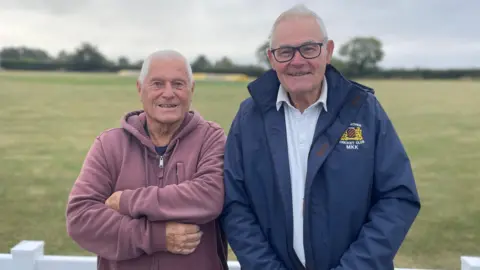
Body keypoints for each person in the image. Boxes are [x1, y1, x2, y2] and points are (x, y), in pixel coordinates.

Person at [220, 4, 421, 270]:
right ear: (271, 58)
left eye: (309, 48)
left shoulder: (364, 110)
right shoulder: (249, 117)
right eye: (285, 51)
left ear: (328, 51)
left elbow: (398, 197)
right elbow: (235, 203)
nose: (298, 60)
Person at [66, 50, 228, 270]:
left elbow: (209, 196)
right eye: (157, 84)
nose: (168, 93)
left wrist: (126, 201)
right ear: (140, 89)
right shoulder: (109, 144)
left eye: (178, 84)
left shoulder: (211, 138)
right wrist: (156, 237)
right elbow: (81, 219)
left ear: (192, 90)